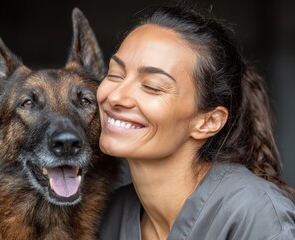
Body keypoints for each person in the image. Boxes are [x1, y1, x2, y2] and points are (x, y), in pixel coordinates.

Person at [96, 3, 295, 240]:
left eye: (152, 86)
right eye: (114, 74)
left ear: (208, 121)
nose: (116, 96)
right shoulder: (107, 217)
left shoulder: (253, 214)